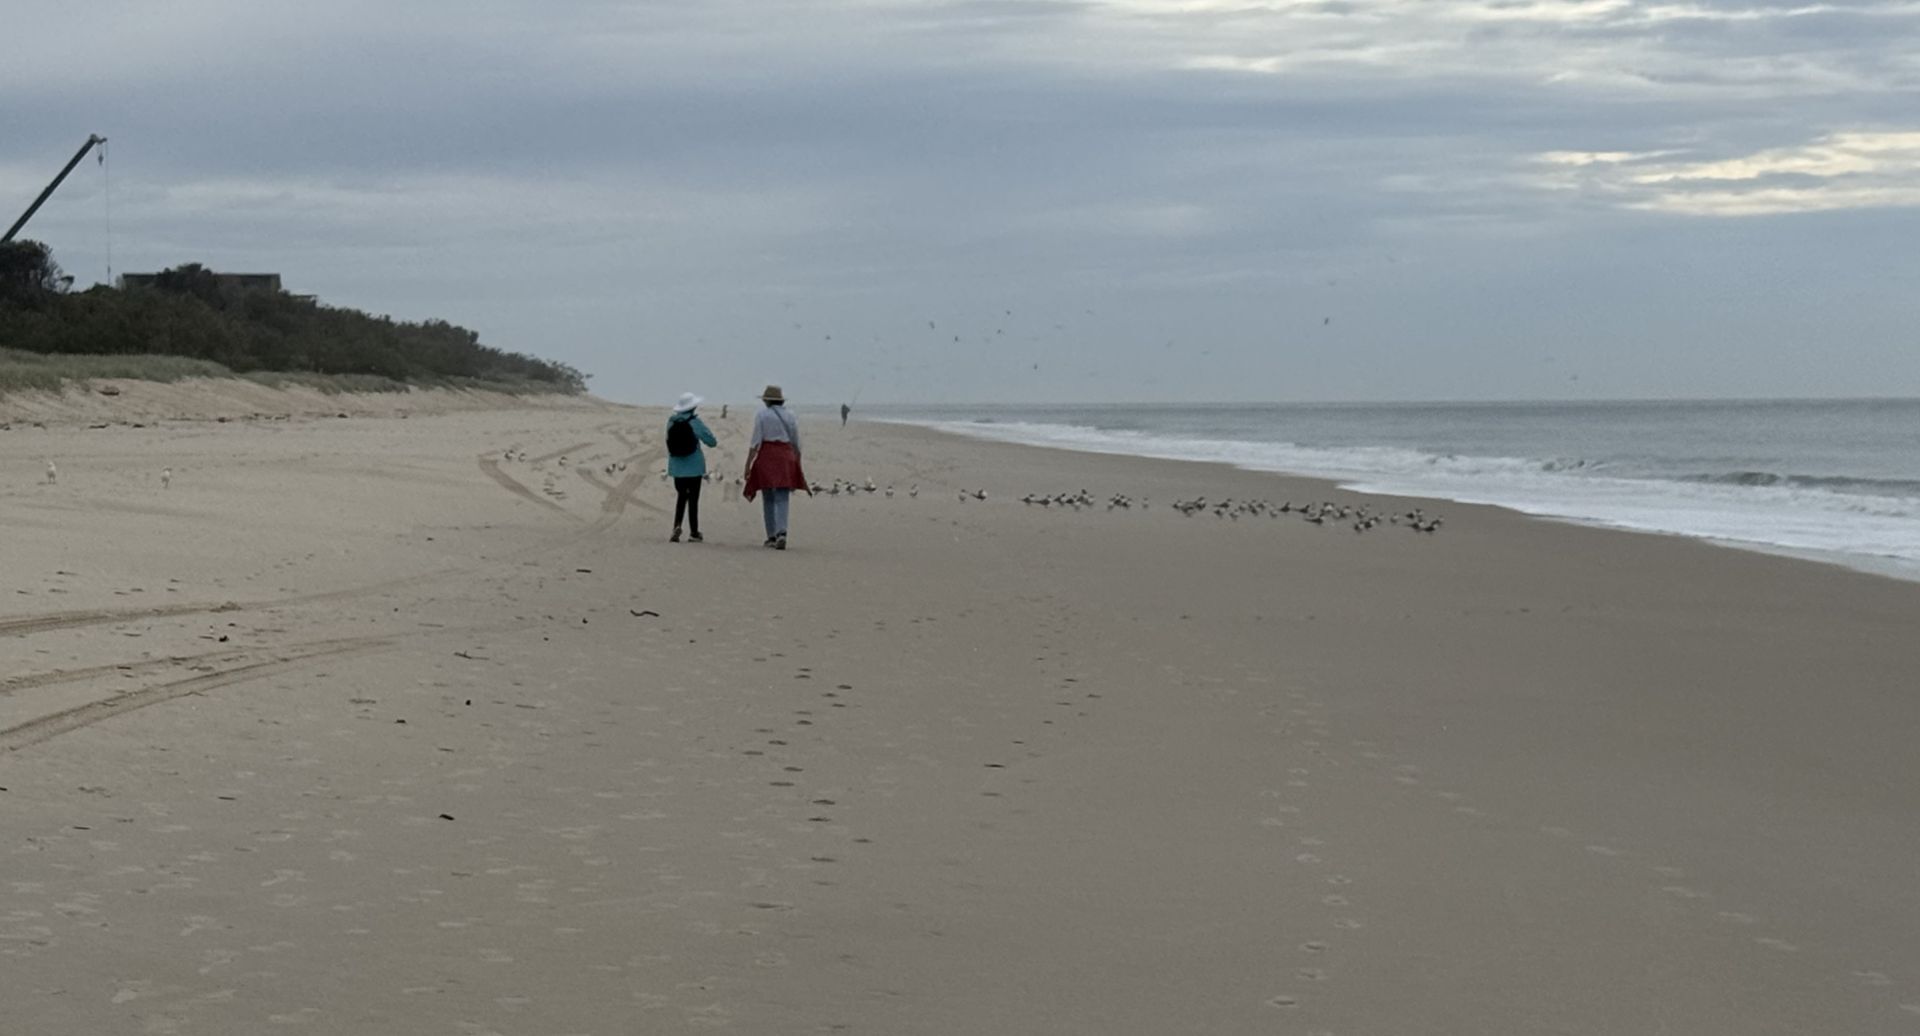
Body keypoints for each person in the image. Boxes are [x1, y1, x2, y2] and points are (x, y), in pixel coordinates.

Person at [743, 385, 809, 550]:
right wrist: (797, 462)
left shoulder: (762, 415)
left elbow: (755, 441)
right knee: (782, 496)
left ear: (766, 400)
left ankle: (771, 535)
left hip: (767, 456)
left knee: (768, 497)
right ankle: (782, 532)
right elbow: (796, 441)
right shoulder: (790, 415)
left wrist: (748, 464)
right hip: (786, 456)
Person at [666, 392, 718, 542]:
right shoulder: (695, 422)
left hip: (677, 466)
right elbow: (711, 441)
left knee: (681, 496)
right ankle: (694, 532)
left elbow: (668, 441)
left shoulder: (671, 421)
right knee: (693, 499)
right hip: (694, 466)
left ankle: (676, 525)